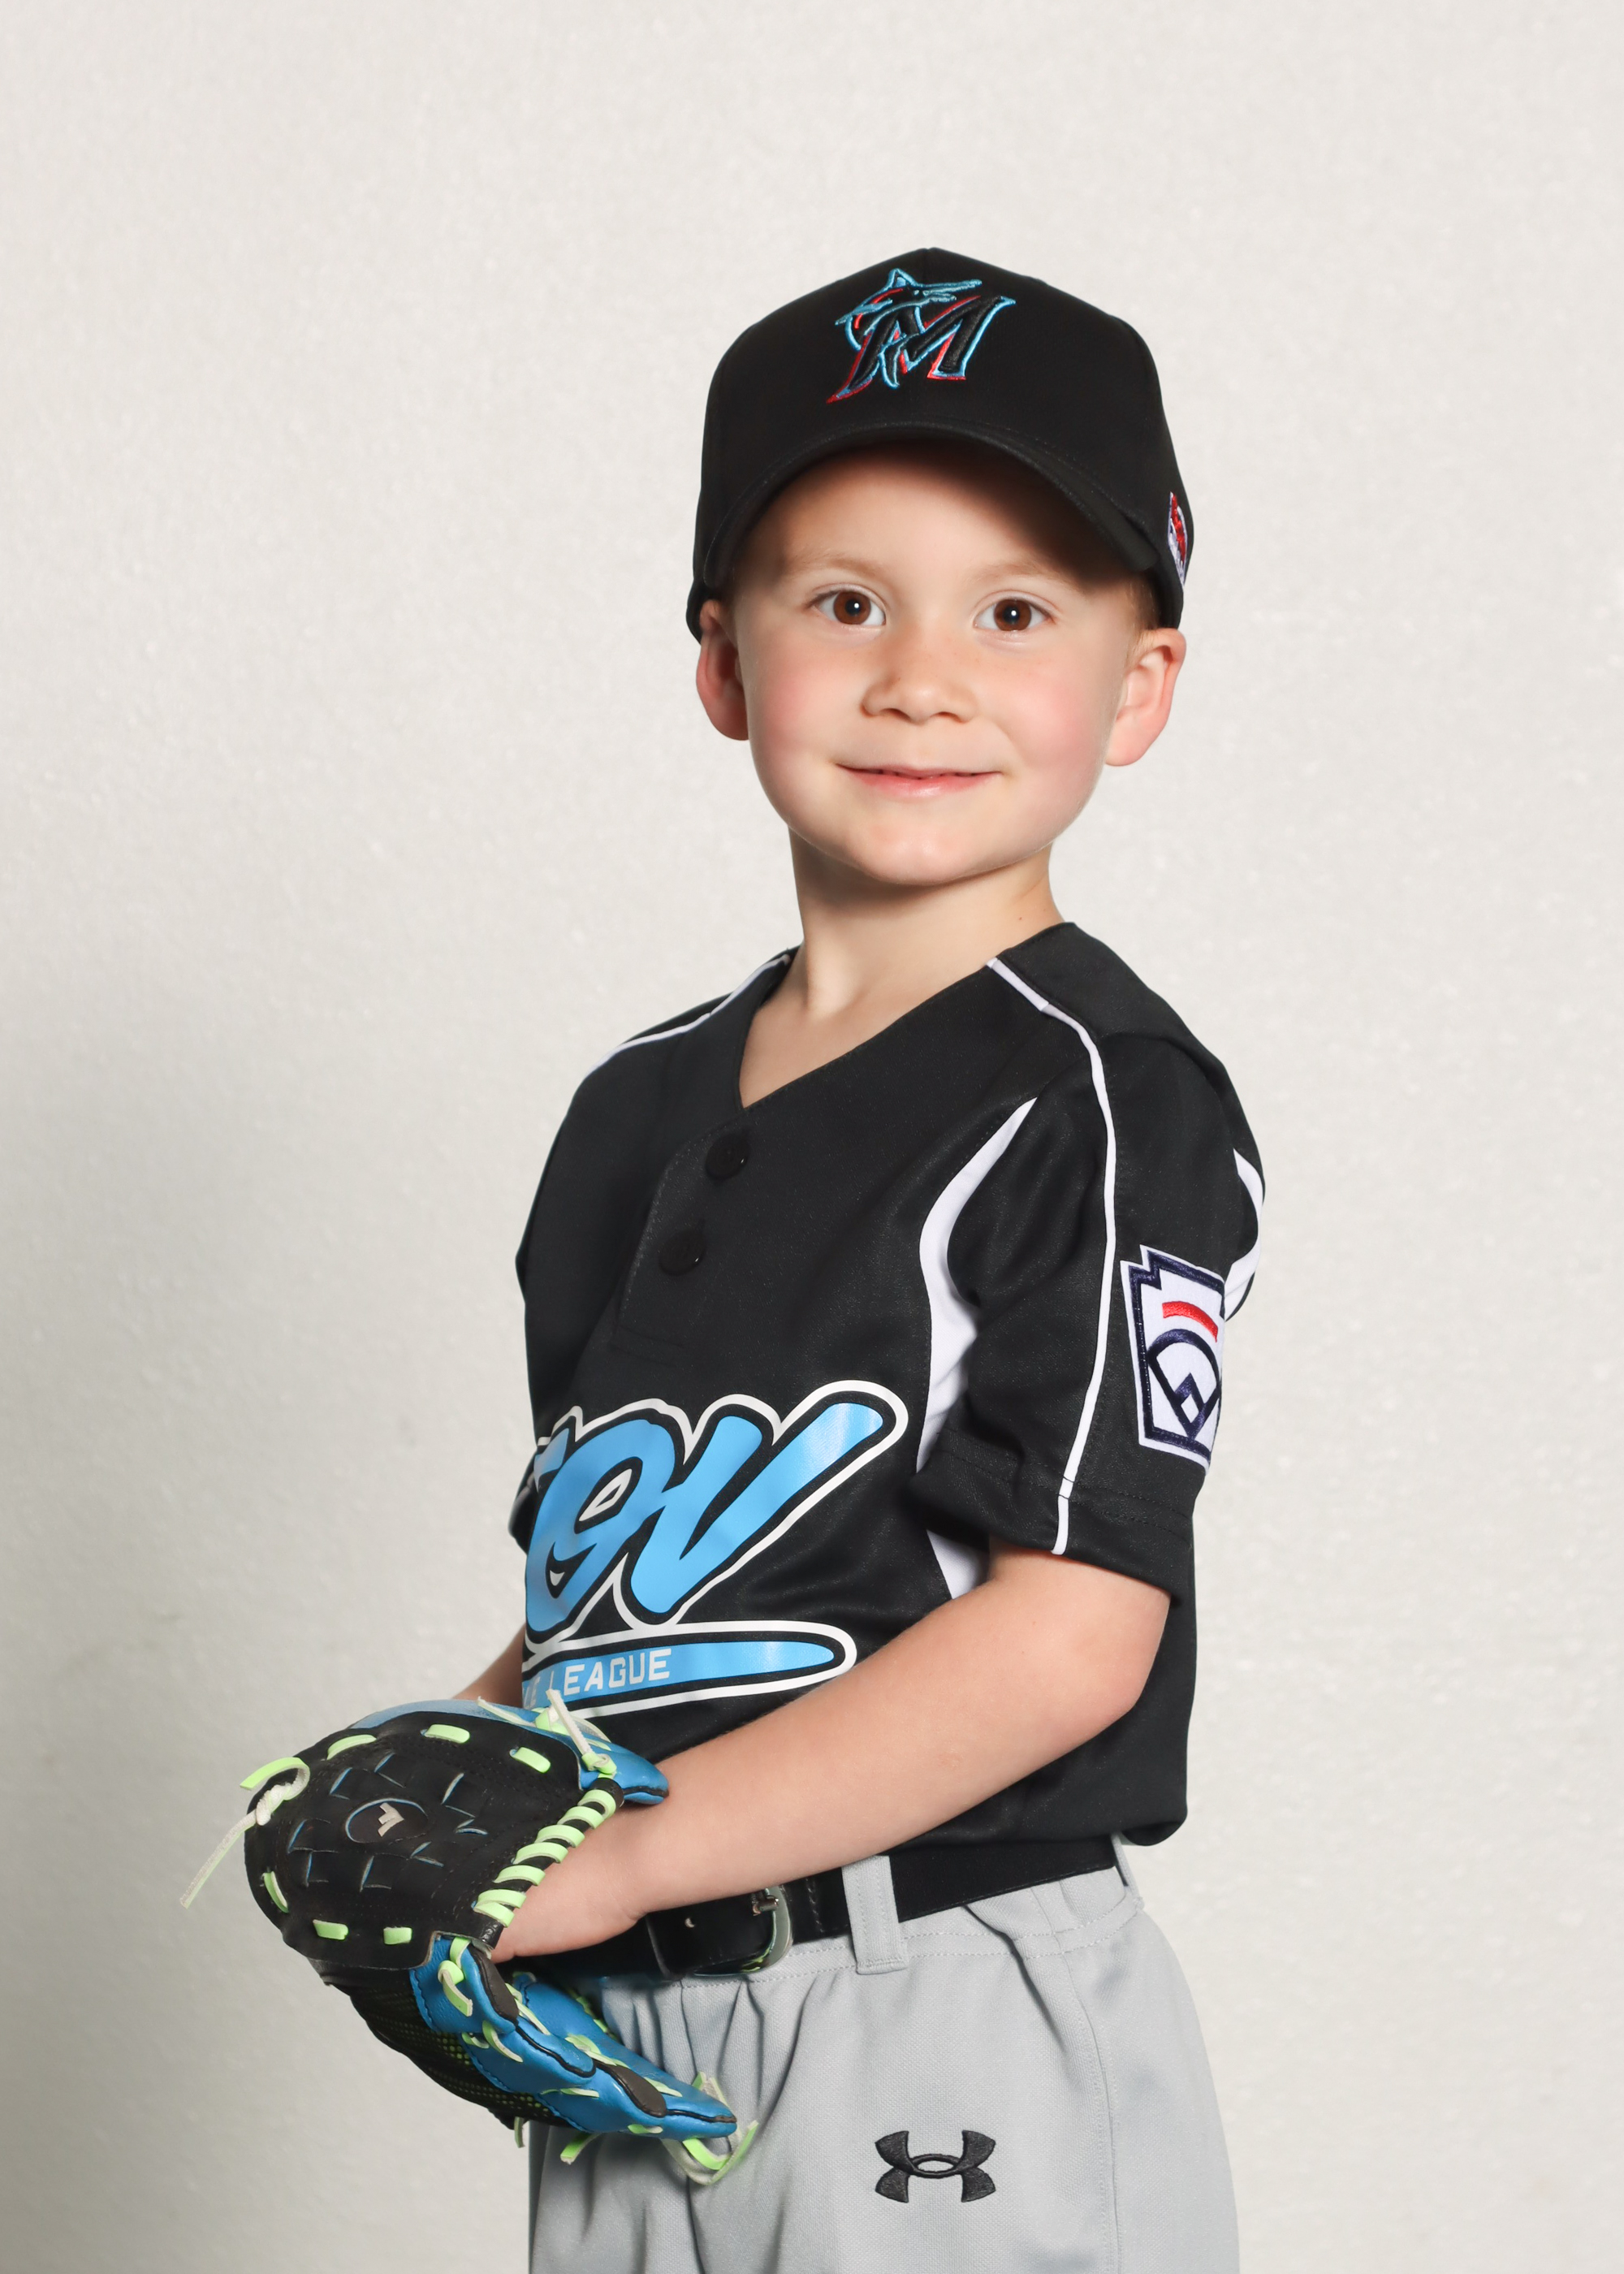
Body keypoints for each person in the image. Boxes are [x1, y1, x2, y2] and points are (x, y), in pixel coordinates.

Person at [458, 249, 1263, 2273]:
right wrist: (452, 1783)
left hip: (938, 1986)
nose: (922, 674)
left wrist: (617, 1851)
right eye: (843, 602)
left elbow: (1070, 1630)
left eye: (1016, 609)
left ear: (1138, 683)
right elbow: (646, 1597)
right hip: (640, 2012)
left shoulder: (1096, 1088)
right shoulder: (632, 1105)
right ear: (724, 658)